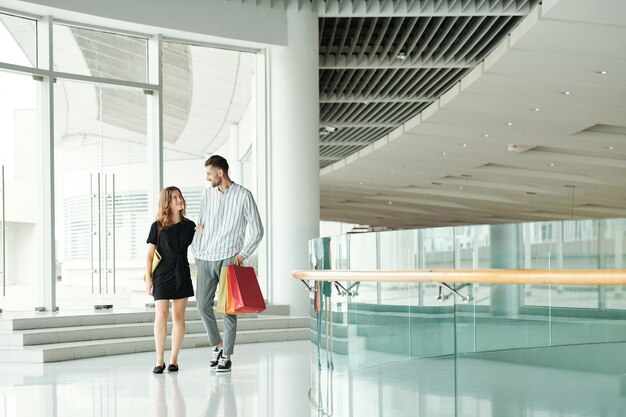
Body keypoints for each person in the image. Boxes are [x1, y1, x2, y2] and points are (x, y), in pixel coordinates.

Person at [192, 155, 264, 373]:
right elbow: (200, 225)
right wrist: (196, 250)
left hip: (229, 257)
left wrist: (242, 254)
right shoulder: (207, 194)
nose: (207, 178)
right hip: (204, 256)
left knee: (228, 308)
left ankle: (227, 354)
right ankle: (218, 345)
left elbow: (258, 230)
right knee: (202, 304)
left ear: (220, 173)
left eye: (209, 173)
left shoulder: (244, 196)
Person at [145, 186, 196, 374]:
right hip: (161, 275)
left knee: (179, 316)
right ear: (167, 201)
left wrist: (202, 232)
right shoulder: (157, 226)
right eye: (174, 197)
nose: (179, 199)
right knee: (161, 315)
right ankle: (159, 360)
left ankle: (174, 359)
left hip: (181, 271)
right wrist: (148, 280)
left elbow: (201, 246)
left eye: (180, 196)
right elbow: (149, 255)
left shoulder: (190, 226)